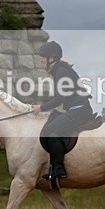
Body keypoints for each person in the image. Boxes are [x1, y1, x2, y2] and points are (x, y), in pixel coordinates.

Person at [31, 41, 95, 181]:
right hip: (76, 108)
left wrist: (40, 108)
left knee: (50, 130)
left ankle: (59, 169)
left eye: (43, 57)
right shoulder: (59, 71)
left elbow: (60, 97)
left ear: (51, 58)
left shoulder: (61, 71)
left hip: (80, 110)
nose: (41, 60)